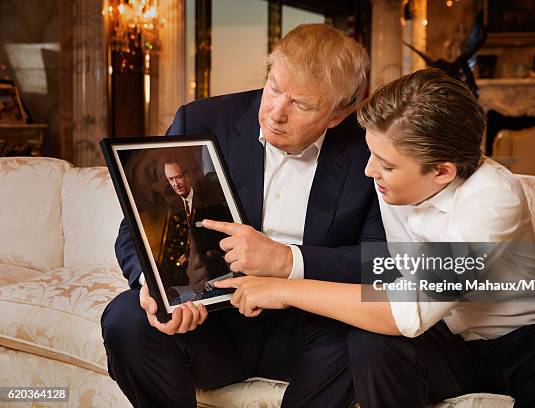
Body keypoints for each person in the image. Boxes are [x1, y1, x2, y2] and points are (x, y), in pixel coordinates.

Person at [213, 68, 535, 408]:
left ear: (443, 171)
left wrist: (281, 289)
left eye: (387, 164)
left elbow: (408, 311)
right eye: (372, 154)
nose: (368, 171)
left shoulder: (493, 198)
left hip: (521, 341)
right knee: (366, 340)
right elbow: (378, 275)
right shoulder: (392, 183)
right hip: (443, 341)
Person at [101, 23, 384, 408]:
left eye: (301, 104)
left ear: (336, 115)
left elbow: (382, 263)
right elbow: (136, 227)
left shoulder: (372, 150)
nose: (275, 113)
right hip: (213, 318)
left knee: (368, 341)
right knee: (125, 319)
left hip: (311, 324)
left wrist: (288, 261)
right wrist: (154, 282)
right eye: (274, 88)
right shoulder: (201, 120)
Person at [159, 159, 232, 303]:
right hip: (183, 278)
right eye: (171, 179)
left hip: (213, 274)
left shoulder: (212, 204)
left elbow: (219, 245)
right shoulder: (172, 207)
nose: (175, 184)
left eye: (178, 177)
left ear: (189, 176)